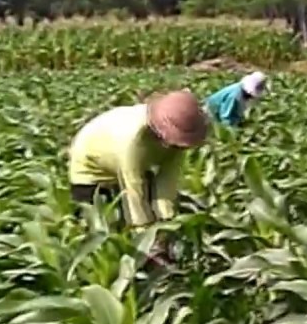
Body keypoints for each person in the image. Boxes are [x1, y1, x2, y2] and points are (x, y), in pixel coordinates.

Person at [67, 89, 209, 266]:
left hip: (138, 165)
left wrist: (167, 223)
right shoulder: (132, 138)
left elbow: (167, 181)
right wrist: (145, 238)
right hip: (91, 167)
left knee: (150, 215)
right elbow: (133, 190)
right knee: (96, 230)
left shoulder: (177, 144)